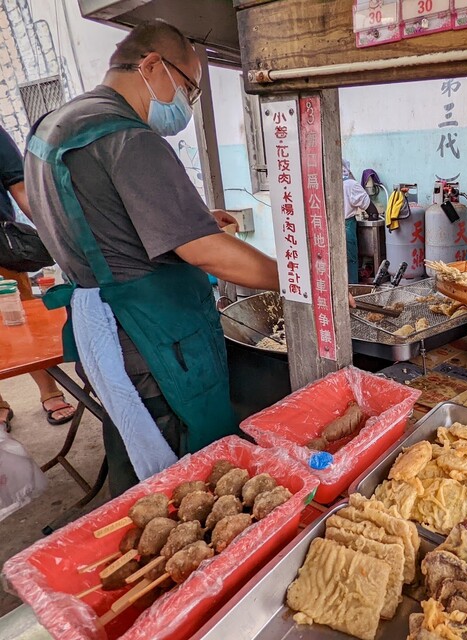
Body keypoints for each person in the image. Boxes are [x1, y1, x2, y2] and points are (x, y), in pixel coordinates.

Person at [25, 20, 278, 494]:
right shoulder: (130, 138)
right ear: (151, 65)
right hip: (153, 341)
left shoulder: (55, 126)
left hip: (102, 328)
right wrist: (298, 279)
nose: (189, 102)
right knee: (185, 475)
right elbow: (207, 252)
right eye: (190, 88)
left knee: (130, 441)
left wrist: (191, 216)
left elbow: (96, 216)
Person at [0, 125, 76, 432]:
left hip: (1, 252)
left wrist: (60, 240)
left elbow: (21, 190)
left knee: (20, 322)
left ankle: (49, 390)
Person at [342, 159, 371, 284]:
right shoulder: (350, 185)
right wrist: (374, 215)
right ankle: (352, 290)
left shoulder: (326, 182)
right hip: (347, 225)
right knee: (350, 259)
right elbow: (368, 205)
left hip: (328, 226)